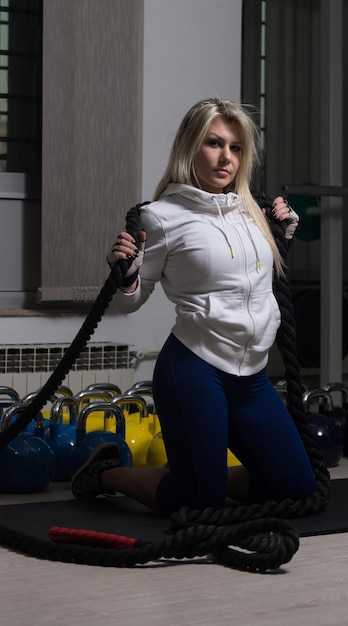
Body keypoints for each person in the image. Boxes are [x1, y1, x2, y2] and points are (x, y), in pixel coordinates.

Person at [71, 97, 316, 514]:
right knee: (200, 499)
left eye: (235, 148)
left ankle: (197, 473)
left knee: (295, 488)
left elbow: (255, 279)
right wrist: (127, 274)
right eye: (214, 144)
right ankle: (104, 474)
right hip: (195, 371)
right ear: (190, 146)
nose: (226, 158)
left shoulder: (252, 211)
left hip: (252, 376)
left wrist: (283, 237)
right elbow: (132, 302)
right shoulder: (161, 217)